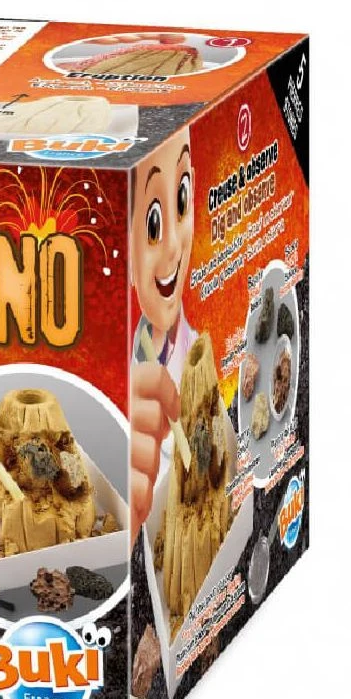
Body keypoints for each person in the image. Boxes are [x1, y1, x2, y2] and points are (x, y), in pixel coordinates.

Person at [128, 128, 195, 529]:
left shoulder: (197, 352)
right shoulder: (118, 381)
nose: (172, 244)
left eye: (182, 198)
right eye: (153, 223)